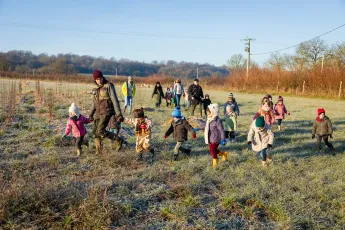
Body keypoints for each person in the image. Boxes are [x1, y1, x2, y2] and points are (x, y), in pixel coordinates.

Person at [89, 70, 124, 155]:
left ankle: (118, 139)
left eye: (100, 78)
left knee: (100, 131)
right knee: (95, 132)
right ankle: (99, 151)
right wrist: (91, 113)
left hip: (107, 111)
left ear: (102, 77)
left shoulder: (109, 85)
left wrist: (119, 114)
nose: (99, 80)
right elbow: (95, 103)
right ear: (95, 80)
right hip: (98, 112)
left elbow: (115, 100)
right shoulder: (95, 89)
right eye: (97, 79)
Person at [204, 104, 227, 168]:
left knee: (212, 151)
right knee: (212, 150)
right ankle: (223, 153)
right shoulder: (209, 119)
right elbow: (206, 126)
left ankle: (215, 164)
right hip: (210, 138)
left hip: (216, 138)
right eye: (207, 114)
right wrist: (198, 128)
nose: (208, 115)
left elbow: (221, 130)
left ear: (213, 112)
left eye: (209, 113)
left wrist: (223, 139)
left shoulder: (217, 120)